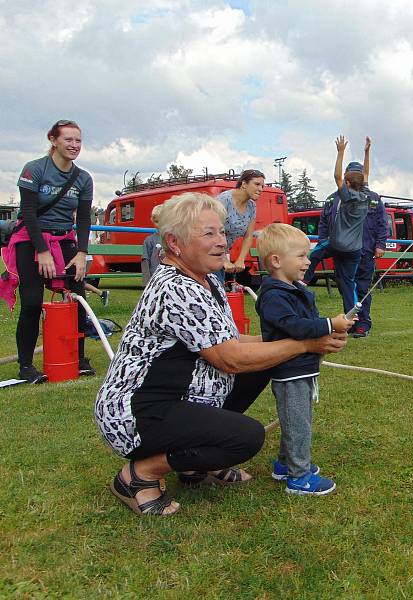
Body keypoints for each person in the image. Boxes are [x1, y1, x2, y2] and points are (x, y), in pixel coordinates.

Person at [94, 193, 347, 516]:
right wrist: (305, 345)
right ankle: (140, 475)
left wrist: (282, 340)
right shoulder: (177, 289)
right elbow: (230, 358)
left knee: (265, 361)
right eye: (208, 234)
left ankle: (194, 465)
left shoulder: (203, 279)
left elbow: (227, 338)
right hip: (137, 413)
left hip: (172, 398)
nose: (222, 242)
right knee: (247, 437)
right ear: (174, 242)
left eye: (223, 233)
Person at [255, 223, 354, 495]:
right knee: (298, 424)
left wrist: (333, 325)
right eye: (300, 256)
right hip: (290, 373)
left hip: (302, 370)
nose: (307, 262)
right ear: (276, 261)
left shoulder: (294, 289)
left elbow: (306, 322)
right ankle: (299, 478)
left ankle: (285, 464)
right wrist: (328, 324)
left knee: (298, 420)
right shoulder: (274, 296)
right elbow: (295, 326)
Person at [1, 119, 95, 383]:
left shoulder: (84, 178)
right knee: (31, 302)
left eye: (78, 140)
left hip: (65, 239)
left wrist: (81, 253)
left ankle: (79, 357)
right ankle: (26, 365)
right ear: (53, 140)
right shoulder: (34, 170)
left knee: (77, 300)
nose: (74, 145)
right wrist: (41, 251)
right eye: (68, 139)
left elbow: (84, 219)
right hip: (30, 240)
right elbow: (28, 213)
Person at [303, 136, 371, 319]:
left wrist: (340, 152)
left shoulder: (348, 198)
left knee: (315, 254)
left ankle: (304, 280)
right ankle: (353, 316)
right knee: (348, 283)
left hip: (337, 244)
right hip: (354, 250)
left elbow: (336, 176)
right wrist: (367, 152)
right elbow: (365, 175)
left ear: (348, 184)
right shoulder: (366, 196)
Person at [351, 138, 388, 337]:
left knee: (363, 287)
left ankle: (363, 323)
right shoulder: (342, 198)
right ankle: (350, 322)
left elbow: (382, 222)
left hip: (365, 251)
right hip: (346, 251)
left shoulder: (372, 197)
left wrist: (380, 244)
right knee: (348, 288)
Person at [214, 169, 265, 284]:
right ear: (244, 184)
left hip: (219, 253)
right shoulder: (224, 200)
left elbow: (248, 236)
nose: (260, 189)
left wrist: (241, 259)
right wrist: (224, 259)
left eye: (262, 186)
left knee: (219, 290)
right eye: (257, 184)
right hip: (205, 252)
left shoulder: (251, 206)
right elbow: (213, 232)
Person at [141, 204, 163, 287]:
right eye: (156, 221)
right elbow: (145, 260)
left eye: (162, 221)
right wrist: (146, 281)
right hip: (154, 279)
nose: (159, 224)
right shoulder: (149, 240)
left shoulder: (173, 239)